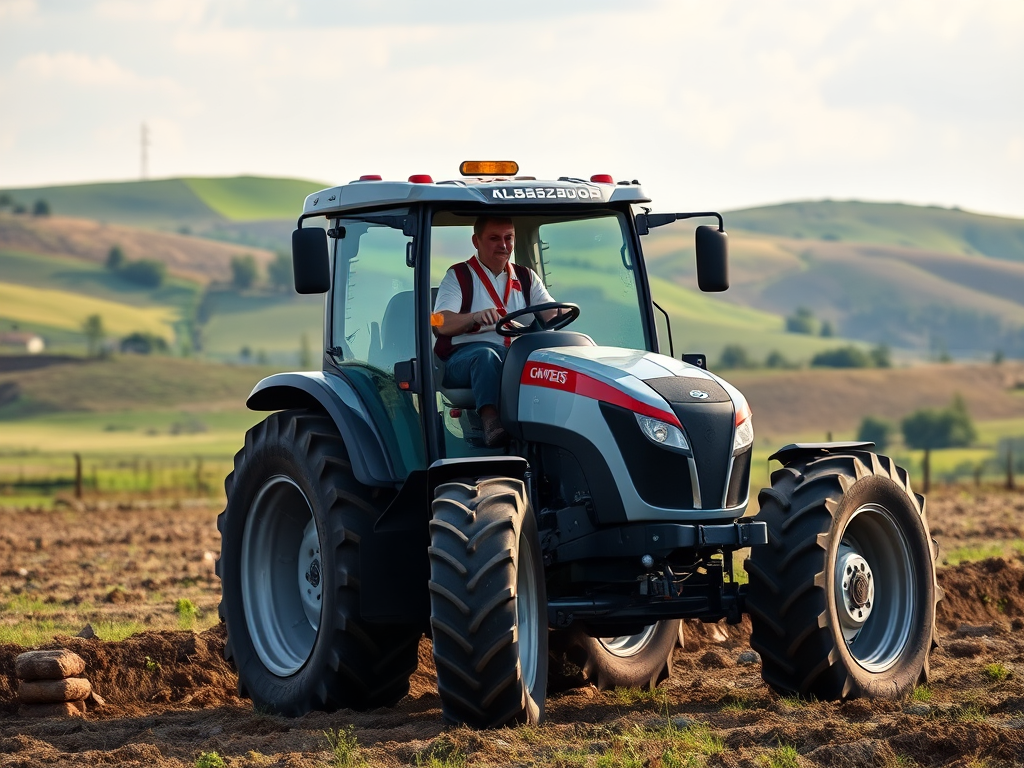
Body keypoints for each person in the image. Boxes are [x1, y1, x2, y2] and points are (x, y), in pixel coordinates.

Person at [433, 216, 561, 446]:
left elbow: (550, 313)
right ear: (476, 241)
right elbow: (440, 322)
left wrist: (559, 313)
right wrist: (474, 317)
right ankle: (491, 422)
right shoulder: (458, 276)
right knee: (486, 355)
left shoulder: (526, 277)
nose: (503, 245)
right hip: (464, 359)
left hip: (512, 356)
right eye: (494, 238)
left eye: (508, 238)